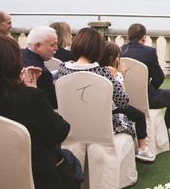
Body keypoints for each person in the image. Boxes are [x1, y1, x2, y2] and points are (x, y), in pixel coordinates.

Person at [0, 35, 91, 189]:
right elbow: (60, 132)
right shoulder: (28, 98)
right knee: (69, 160)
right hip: (33, 182)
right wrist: (32, 90)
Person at [57, 27, 155, 162]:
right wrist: (117, 77)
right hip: (99, 126)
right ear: (97, 49)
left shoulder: (62, 68)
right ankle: (143, 148)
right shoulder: (103, 73)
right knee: (131, 117)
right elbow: (123, 102)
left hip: (70, 125)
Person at [121, 23, 170, 136]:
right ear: (144, 38)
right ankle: (165, 130)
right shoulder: (149, 52)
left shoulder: (119, 51)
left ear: (127, 36)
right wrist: (150, 89)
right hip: (147, 98)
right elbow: (159, 77)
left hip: (123, 99)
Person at [22, 26, 59, 109]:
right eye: (53, 45)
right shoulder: (41, 73)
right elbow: (54, 103)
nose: (56, 48)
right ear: (38, 46)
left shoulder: (19, 54)